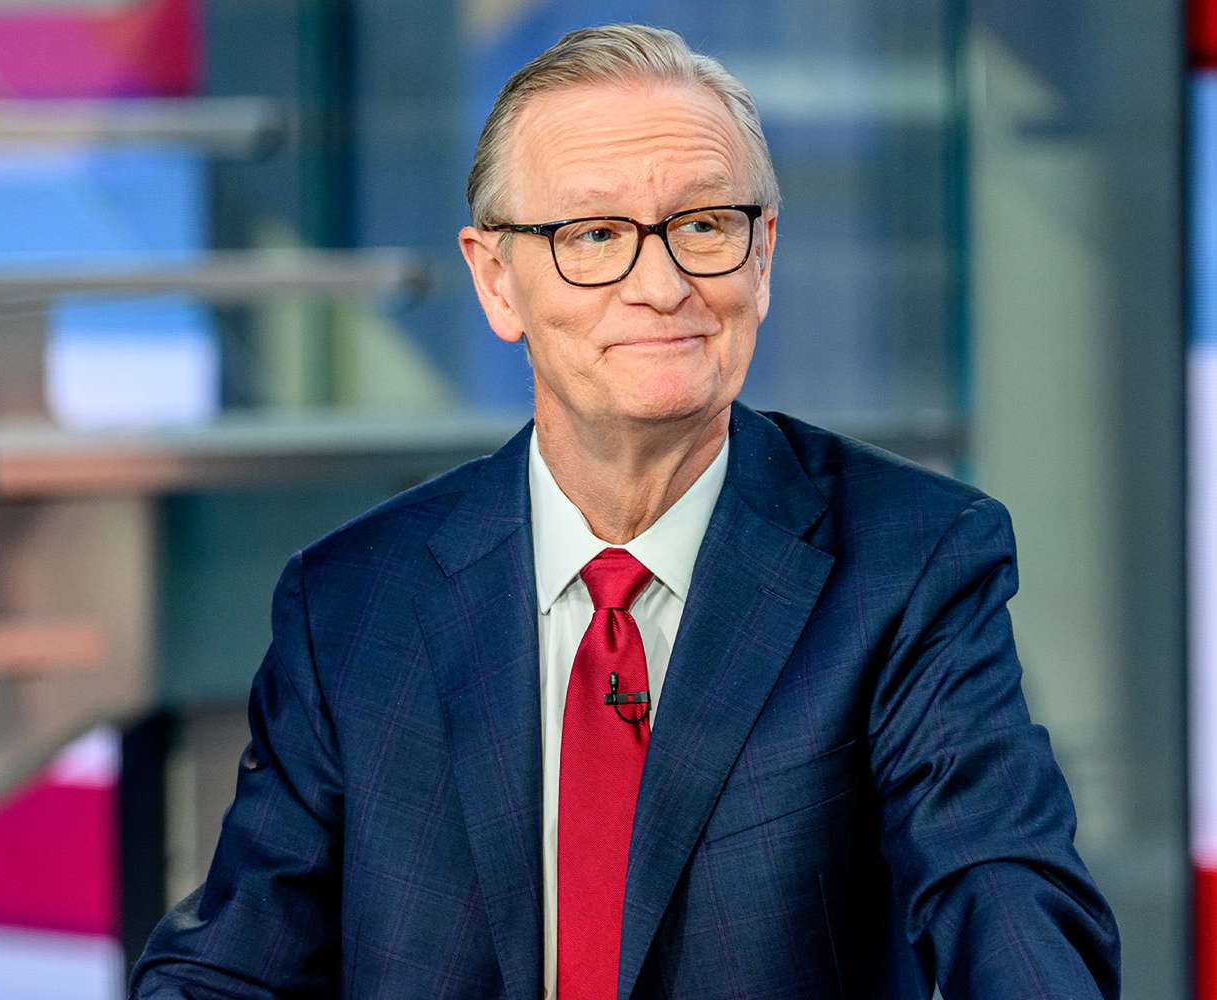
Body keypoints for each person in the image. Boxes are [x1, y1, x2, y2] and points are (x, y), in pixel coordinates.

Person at [131, 23, 1120, 1000]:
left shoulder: (911, 563)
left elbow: (1002, 890)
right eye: (595, 235)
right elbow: (231, 966)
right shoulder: (351, 605)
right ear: (496, 280)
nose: (661, 284)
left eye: (705, 225)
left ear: (763, 256)